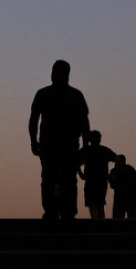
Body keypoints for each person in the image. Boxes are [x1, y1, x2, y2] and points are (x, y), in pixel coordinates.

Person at [29, 60, 90, 220]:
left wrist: (34, 141)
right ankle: (56, 211)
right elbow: (34, 119)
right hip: (53, 143)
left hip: (62, 143)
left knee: (62, 178)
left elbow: (84, 123)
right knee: (54, 178)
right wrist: (33, 141)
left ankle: (62, 211)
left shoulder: (72, 95)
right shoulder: (70, 95)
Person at [77, 130, 117, 219]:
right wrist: (112, 174)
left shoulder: (86, 150)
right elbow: (117, 159)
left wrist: (81, 173)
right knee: (100, 204)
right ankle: (101, 224)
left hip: (90, 180)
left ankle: (95, 222)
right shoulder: (104, 150)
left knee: (92, 205)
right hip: (102, 181)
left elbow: (75, 162)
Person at [109, 154, 136, 219]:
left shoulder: (117, 171)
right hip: (128, 199)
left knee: (119, 219)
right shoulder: (130, 169)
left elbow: (113, 185)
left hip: (124, 199)